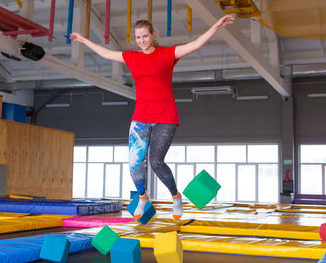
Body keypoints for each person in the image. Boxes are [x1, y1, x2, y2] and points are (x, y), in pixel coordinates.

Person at [70, 14, 235, 221]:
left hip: (165, 117)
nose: (141, 41)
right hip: (140, 117)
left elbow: (195, 44)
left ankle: (176, 197)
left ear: (152, 35)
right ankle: (143, 197)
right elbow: (105, 53)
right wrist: (84, 40)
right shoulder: (132, 57)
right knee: (133, 163)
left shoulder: (167, 54)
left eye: (145, 36)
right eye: (138, 38)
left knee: (156, 162)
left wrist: (217, 26)